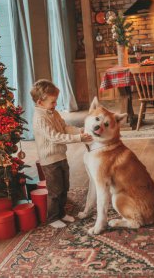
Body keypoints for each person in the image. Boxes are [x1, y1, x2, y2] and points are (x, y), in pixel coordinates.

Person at [30, 79, 92, 228]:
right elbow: (54, 137)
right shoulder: (40, 118)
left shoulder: (53, 112)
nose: (55, 104)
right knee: (55, 190)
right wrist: (78, 138)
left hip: (61, 156)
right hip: (49, 160)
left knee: (65, 187)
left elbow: (64, 127)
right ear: (40, 102)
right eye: (52, 102)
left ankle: (62, 213)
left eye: (55, 101)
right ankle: (52, 218)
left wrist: (79, 131)